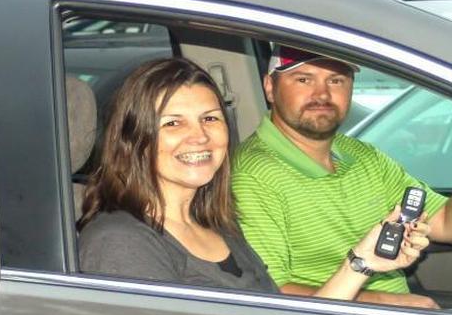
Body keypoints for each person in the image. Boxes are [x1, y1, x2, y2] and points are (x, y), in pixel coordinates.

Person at [232, 45, 452, 308]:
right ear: (270, 87)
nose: (322, 94)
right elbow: (272, 295)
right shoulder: (253, 176)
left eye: (336, 80)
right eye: (304, 79)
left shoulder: (360, 155)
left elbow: (450, 222)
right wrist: (387, 304)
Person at [78, 58, 430, 299]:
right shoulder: (120, 242)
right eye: (173, 123)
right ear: (133, 138)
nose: (199, 137)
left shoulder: (218, 227)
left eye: (210, 119)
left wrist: (363, 262)